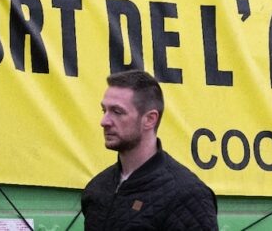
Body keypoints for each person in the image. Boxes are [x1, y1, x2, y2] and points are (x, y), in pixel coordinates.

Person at [81, 70, 218, 230]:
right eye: (104, 110)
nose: (104, 121)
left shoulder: (187, 195)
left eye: (117, 112)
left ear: (150, 119)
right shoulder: (98, 189)